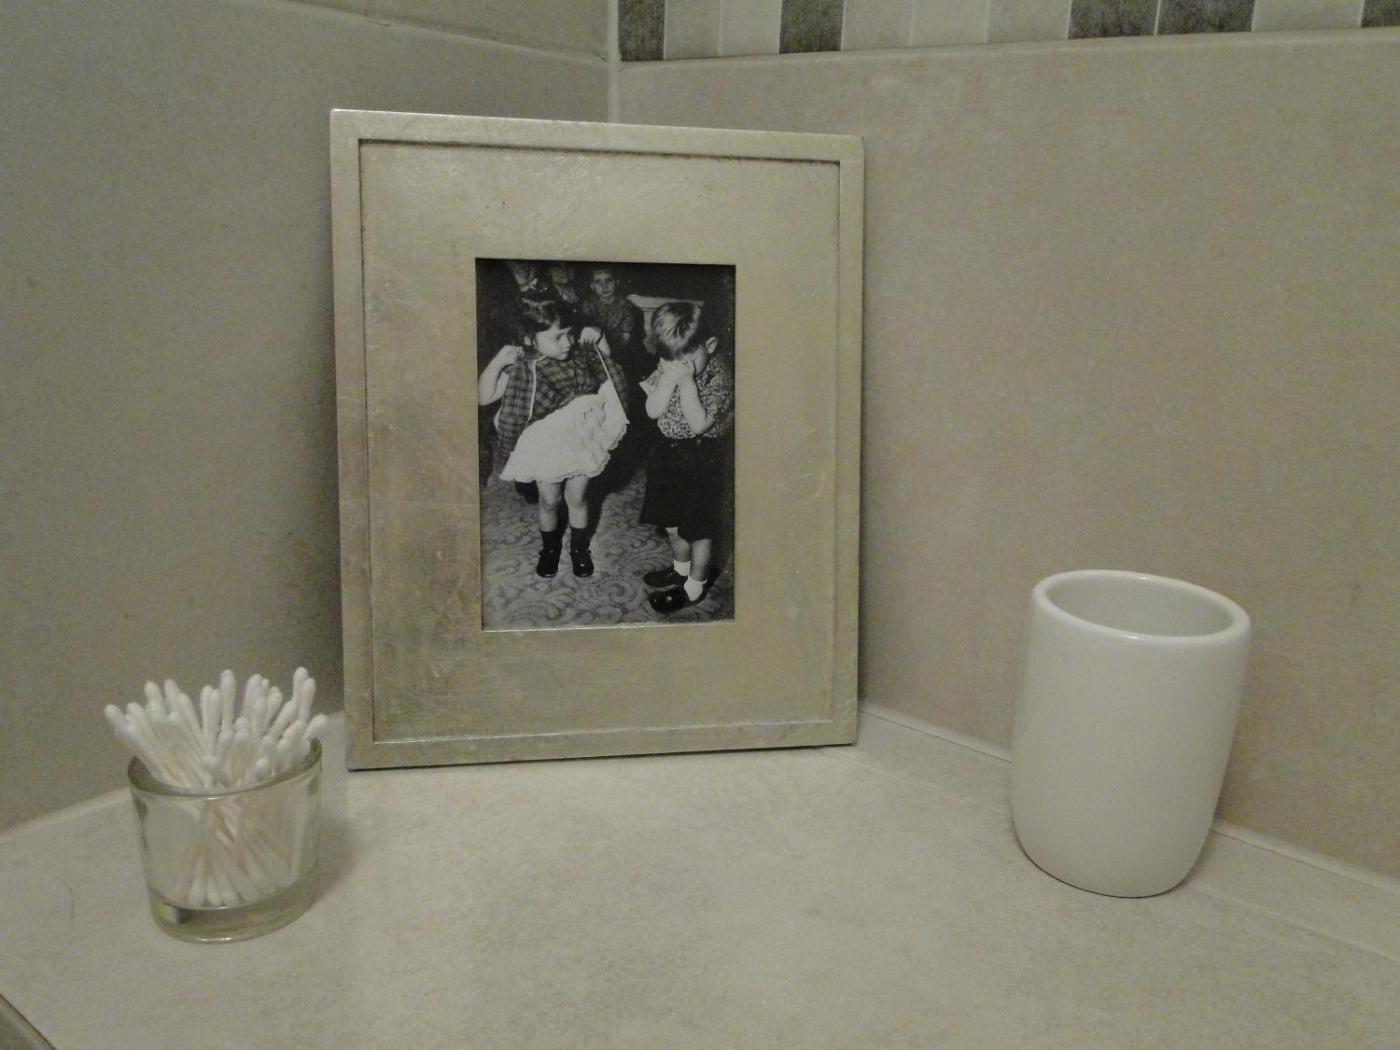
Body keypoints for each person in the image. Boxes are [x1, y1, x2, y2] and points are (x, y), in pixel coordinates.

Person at [478, 297, 629, 578]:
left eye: (569, 334)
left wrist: (600, 337)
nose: (567, 343)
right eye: (557, 337)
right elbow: (484, 397)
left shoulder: (579, 354)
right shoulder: (522, 368)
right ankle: (549, 549)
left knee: (578, 498)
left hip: (580, 438)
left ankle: (579, 548)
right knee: (549, 501)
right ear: (529, 339)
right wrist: (498, 361)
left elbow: (607, 367)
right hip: (545, 446)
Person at [637, 301, 734, 614]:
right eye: (668, 359)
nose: (676, 367)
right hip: (666, 455)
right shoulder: (669, 365)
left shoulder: (719, 377)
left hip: (701, 459)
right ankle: (680, 571)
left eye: (686, 360)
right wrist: (667, 380)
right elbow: (653, 411)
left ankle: (695, 585)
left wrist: (687, 383)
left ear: (710, 345)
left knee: (698, 529)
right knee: (672, 523)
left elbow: (698, 424)